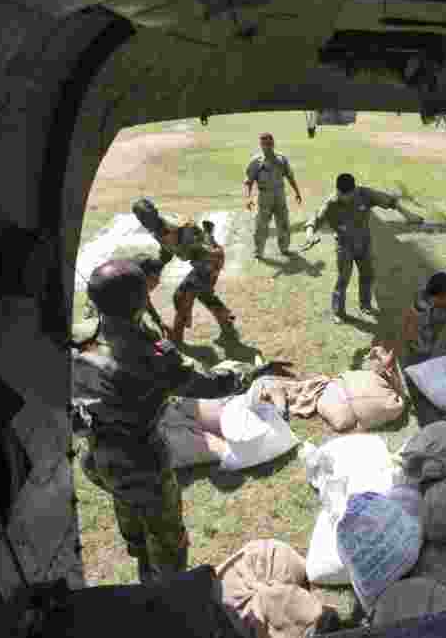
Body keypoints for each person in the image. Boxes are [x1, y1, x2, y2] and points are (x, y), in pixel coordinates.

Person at [71, 259, 263, 584]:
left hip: (96, 455)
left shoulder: (78, 335)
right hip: (142, 461)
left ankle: (143, 563)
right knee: (168, 542)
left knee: (129, 512)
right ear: (139, 300)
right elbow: (211, 385)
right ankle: (168, 598)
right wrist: (252, 370)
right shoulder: (152, 357)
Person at [304, 173, 421, 324]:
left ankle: (365, 304)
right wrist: (309, 236)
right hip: (344, 246)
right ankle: (338, 312)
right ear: (337, 191)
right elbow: (315, 219)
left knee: (367, 275)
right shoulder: (331, 203)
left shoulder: (364, 194)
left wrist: (408, 215)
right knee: (343, 279)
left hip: (364, 243)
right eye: (341, 194)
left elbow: (389, 201)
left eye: (348, 194)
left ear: (354, 190)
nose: (344, 198)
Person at [131, 198, 234, 343]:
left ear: (155, 212)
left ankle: (176, 338)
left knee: (182, 295)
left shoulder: (178, 227)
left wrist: (209, 266)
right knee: (203, 293)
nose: (145, 221)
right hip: (202, 261)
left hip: (209, 260)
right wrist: (159, 264)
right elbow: (168, 250)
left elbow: (205, 247)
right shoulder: (157, 229)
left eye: (147, 216)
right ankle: (226, 320)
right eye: (141, 218)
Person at [244, 132, 303, 258]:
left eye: (270, 143)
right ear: (261, 145)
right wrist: (248, 198)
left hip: (280, 195)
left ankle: (284, 248)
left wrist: (297, 192)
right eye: (265, 144)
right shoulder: (256, 162)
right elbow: (248, 182)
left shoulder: (281, 159)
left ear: (273, 144)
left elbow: (290, 176)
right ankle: (258, 251)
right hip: (264, 196)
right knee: (261, 225)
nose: (268, 146)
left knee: (283, 223)